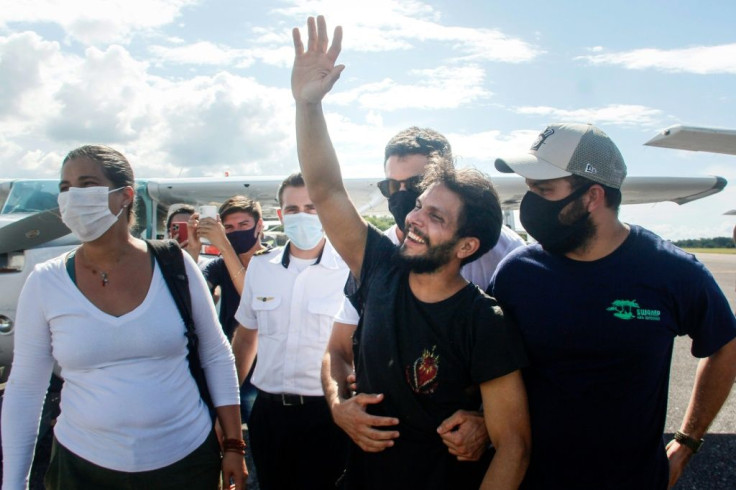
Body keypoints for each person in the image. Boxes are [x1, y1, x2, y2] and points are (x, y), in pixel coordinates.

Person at [292, 16, 530, 489]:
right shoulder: (379, 265)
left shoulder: (485, 320)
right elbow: (324, 188)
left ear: (467, 246)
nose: (414, 218)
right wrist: (307, 105)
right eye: (419, 206)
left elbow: (515, 447)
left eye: (435, 216)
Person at [490, 122, 736, 489]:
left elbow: (725, 345)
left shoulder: (671, 271)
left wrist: (686, 442)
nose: (531, 202)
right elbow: (487, 365)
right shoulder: (516, 274)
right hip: (535, 480)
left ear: (592, 196)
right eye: (529, 189)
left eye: (544, 189)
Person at [0, 145, 247, 490]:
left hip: (184, 462)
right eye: (65, 188)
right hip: (82, 468)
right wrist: (14, 481)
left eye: (87, 184)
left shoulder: (176, 266)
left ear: (125, 196)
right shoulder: (45, 281)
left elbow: (216, 354)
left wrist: (234, 444)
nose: (72, 197)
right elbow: (25, 387)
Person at [332, 126, 526, 462]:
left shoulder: (507, 258)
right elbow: (336, 347)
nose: (406, 205)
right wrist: (339, 405)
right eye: (392, 186)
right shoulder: (380, 258)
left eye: (416, 185)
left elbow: (511, 365)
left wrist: (487, 420)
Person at [230, 172, 350, 490]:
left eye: (312, 207)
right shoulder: (260, 266)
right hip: (269, 414)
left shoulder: (350, 271)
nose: (302, 216)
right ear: (281, 215)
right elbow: (245, 337)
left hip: (327, 414)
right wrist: (227, 403)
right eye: (293, 209)